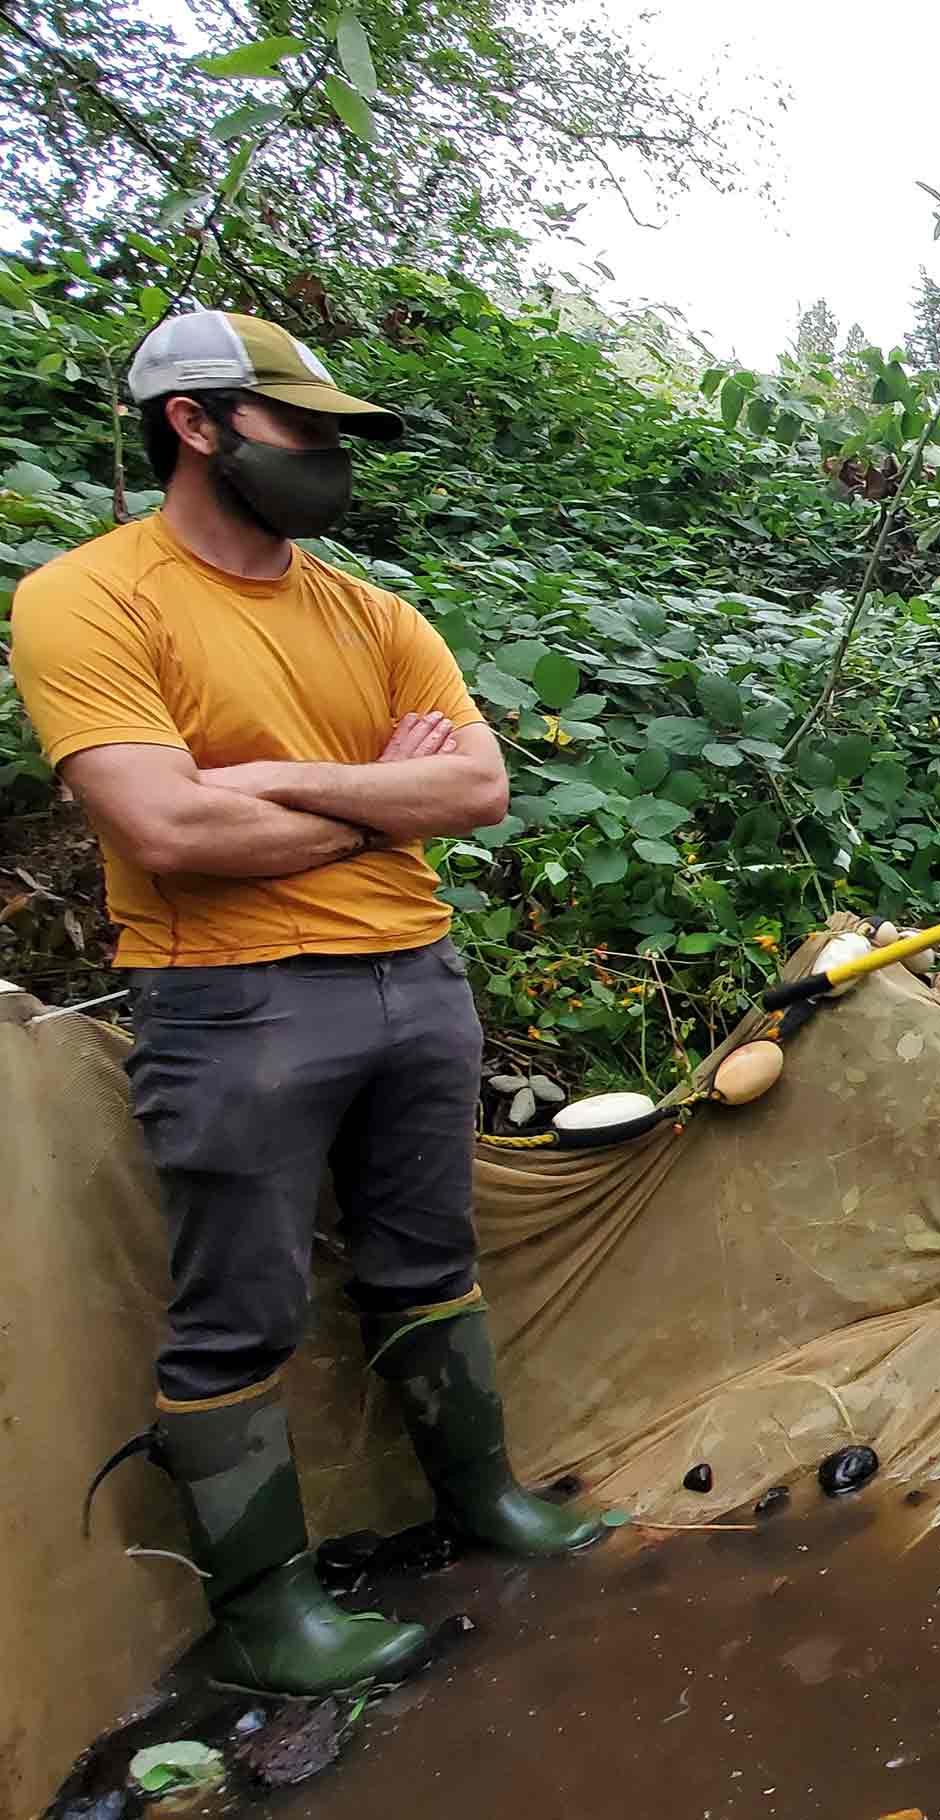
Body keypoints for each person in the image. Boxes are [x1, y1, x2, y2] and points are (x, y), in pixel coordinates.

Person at [9, 310, 600, 1696]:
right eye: (302, 430)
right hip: (230, 998)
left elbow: (476, 789)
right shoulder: (88, 598)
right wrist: (370, 803)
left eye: (339, 436)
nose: (331, 459)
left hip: (415, 978)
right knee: (238, 1306)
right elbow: (168, 833)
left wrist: (270, 781)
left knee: (427, 1260)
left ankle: (487, 1504)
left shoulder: (372, 612)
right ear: (196, 425)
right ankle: (269, 1611)